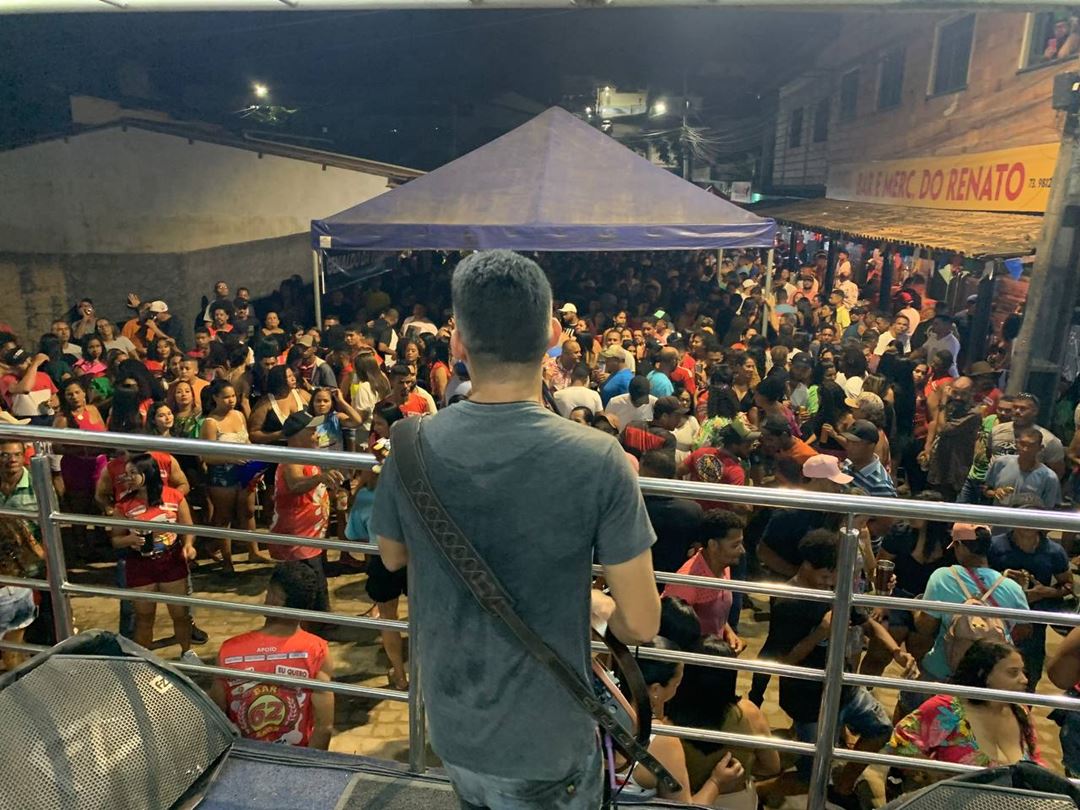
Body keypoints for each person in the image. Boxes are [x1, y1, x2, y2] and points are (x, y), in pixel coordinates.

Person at [371, 250, 660, 809]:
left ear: (457, 342)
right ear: (553, 335)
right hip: (549, 745)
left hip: (453, 729)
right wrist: (599, 606)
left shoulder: (408, 445)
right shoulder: (598, 457)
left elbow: (391, 557)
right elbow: (643, 622)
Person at [764, 529, 914, 808]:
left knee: (880, 729)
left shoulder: (836, 589)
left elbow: (868, 623)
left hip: (844, 685)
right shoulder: (787, 602)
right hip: (808, 697)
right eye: (825, 575)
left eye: (835, 575)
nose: (831, 581)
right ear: (806, 565)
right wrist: (820, 632)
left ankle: (843, 787)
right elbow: (785, 664)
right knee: (811, 775)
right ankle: (762, 791)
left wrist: (897, 652)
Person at [901, 523, 1029, 714]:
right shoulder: (1012, 587)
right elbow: (1024, 631)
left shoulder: (942, 577)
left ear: (959, 546)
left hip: (942, 673)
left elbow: (924, 628)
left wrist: (915, 608)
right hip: (989, 679)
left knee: (911, 706)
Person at [617, 637, 754, 806]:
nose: (679, 689)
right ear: (656, 690)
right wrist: (716, 782)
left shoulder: (599, 710)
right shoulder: (662, 740)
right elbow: (683, 808)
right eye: (676, 683)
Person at [888, 641, 1043, 779]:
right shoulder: (947, 709)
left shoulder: (1020, 711)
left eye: (1023, 672)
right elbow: (901, 741)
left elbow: (1036, 762)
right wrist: (934, 777)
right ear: (985, 675)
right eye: (1013, 673)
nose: (1025, 680)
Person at [110, 452, 200, 663]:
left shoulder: (174, 496)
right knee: (144, 617)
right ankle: (145, 661)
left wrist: (188, 546)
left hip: (171, 560)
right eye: (127, 474)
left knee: (180, 613)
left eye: (134, 473)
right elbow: (115, 539)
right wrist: (130, 539)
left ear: (147, 473)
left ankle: (187, 652)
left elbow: (188, 527)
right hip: (139, 563)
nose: (128, 478)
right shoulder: (123, 505)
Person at [269, 412, 342, 621]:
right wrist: (321, 477)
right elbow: (294, 484)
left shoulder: (306, 456)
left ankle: (319, 622)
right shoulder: (292, 460)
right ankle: (315, 624)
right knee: (307, 583)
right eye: (311, 431)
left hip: (309, 536)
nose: (316, 435)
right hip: (298, 538)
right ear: (296, 435)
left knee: (314, 580)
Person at [989, 515, 1072, 690]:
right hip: (997, 621)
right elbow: (979, 578)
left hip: (1034, 626)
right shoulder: (994, 546)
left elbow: (1068, 585)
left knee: (1028, 677)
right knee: (991, 671)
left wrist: (1046, 592)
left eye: (1033, 518)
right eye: (1023, 518)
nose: (1027, 524)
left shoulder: (1054, 551)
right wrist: (1002, 580)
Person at [200, 380, 266, 571]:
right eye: (226, 397)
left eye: (233, 396)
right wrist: (231, 458)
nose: (230, 400)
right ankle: (227, 560)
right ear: (215, 398)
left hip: (245, 470)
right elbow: (207, 456)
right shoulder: (210, 423)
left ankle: (254, 551)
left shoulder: (239, 415)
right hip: (222, 475)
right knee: (224, 517)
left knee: (248, 511)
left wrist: (256, 462)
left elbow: (247, 441)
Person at [663, 509, 747, 653]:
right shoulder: (686, 583)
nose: (742, 550)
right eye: (735, 545)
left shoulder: (724, 565)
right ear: (713, 545)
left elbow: (714, 615)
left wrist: (728, 633)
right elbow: (671, 631)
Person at [990, 392, 1066, 478]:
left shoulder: (1049, 440)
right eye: (1015, 407)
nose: (1017, 411)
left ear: (1035, 411)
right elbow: (989, 455)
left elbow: (1057, 472)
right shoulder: (997, 430)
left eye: (1023, 409)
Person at [984, 427, 1061, 509]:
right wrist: (995, 493)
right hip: (999, 518)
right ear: (1016, 444)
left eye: (1031, 446)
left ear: (1040, 448)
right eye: (1022, 444)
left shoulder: (1049, 477)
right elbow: (986, 490)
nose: (1025, 449)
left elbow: (1049, 508)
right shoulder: (1001, 463)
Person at [840, 418, 897, 497]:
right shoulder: (847, 464)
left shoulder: (881, 485)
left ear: (871, 446)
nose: (849, 446)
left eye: (855, 443)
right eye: (848, 441)